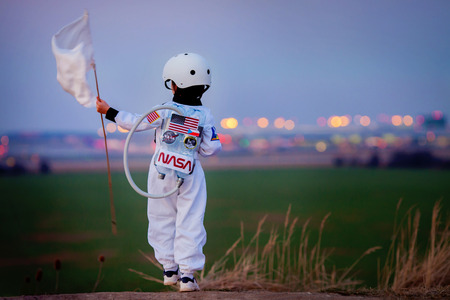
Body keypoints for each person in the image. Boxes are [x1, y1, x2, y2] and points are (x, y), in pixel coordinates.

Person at [96, 53, 222, 292]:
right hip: (191, 173)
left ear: (174, 85)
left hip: (161, 170)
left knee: (161, 216)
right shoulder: (205, 116)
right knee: (191, 219)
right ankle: (187, 276)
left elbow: (136, 122)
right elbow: (211, 147)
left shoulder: (163, 110)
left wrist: (108, 111)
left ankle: (169, 269)